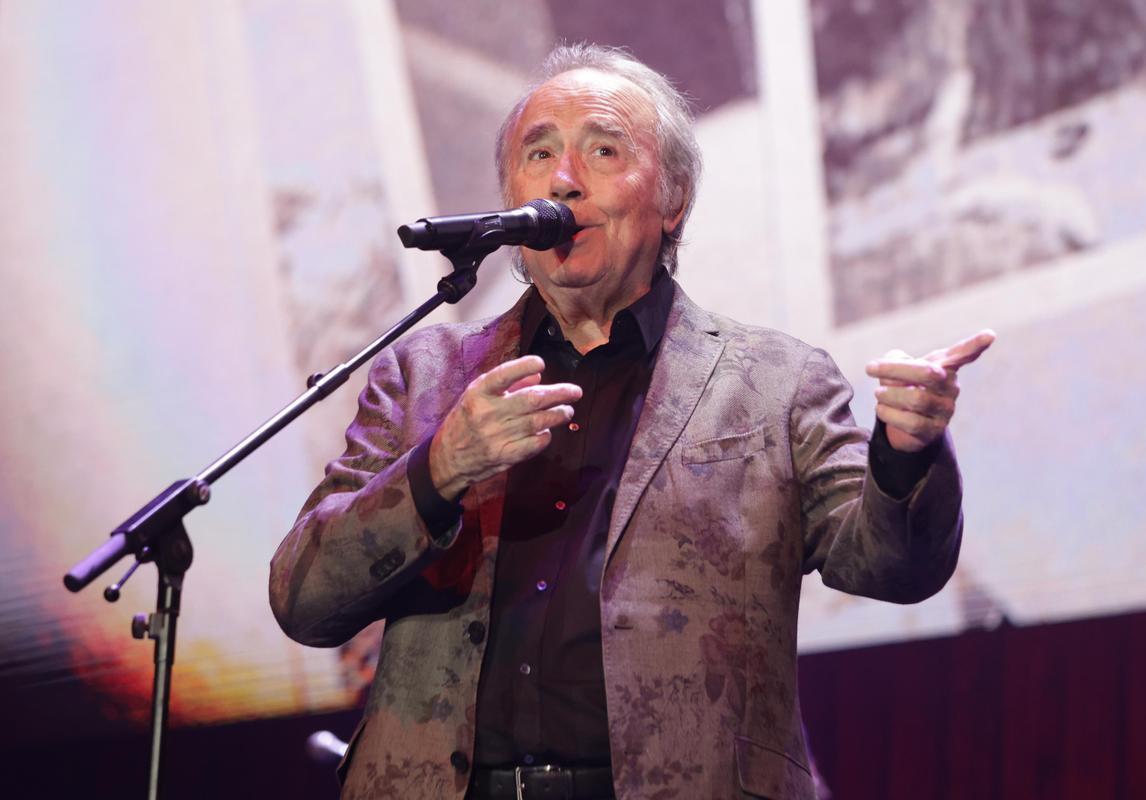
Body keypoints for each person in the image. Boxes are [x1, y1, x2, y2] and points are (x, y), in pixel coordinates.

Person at [269, 43, 994, 800]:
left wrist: (907, 455)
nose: (562, 179)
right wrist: (438, 471)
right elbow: (305, 599)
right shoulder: (422, 374)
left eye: (602, 150)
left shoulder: (777, 382)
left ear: (673, 197)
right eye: (538, 152)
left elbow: (890, 567)